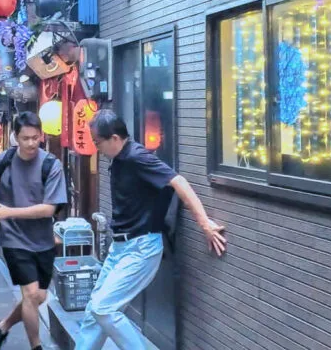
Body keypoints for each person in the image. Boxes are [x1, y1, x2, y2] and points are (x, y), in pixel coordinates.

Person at [75, 109, 227, 350]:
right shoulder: (120, 159)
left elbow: (178, 181)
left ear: (114, 138)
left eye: (97, 142)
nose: (97, 148)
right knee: (94, 311)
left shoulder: (137, 157)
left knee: (104, 308)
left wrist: (204, 223)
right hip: (120, 248)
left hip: (141, 248)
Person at [0, 112, 67, 350]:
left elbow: (49, 209)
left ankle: (1, 327)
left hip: (43, 239)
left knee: (40, 296)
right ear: (15, 137)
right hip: (13, 239)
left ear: (41, 135)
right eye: (25, 138)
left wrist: (8, 212)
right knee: (31, 294)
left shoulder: (51, 164)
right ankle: (36, 346)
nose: (31, 143)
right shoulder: (3, 162)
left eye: (35, 137)